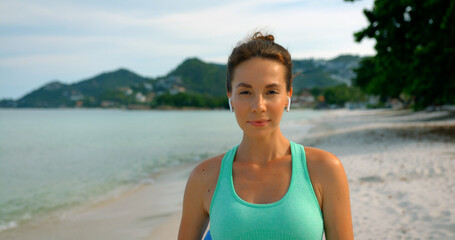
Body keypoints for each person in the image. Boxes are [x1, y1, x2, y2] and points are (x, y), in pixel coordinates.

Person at [178, 32, 353, 240]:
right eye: (245, 92)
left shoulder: (324, 169)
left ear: (288, 95)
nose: (258, 106)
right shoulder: (205, 176)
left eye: (271, 92)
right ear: (230, 96)